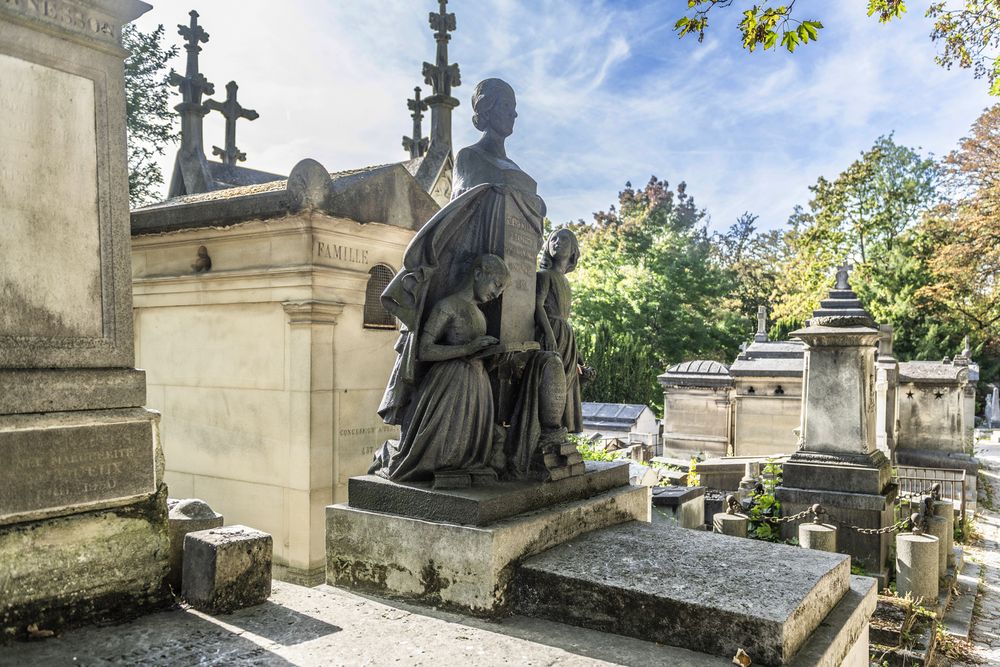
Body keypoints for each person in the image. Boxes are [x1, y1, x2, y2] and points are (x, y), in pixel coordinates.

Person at [370, 255, 510, 484]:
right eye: (496, 284)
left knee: (469, 450)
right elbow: (424, 350)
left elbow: (474, 350)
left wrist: (493, 357)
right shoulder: (448, 306)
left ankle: (465, 468)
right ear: (478, 273)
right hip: (449, 386)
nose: (496, 294)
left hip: (477, 385)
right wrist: (467, 348)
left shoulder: (479, 313)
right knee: (442, 451)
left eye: (501, 290)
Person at [535, 228, 583, 433]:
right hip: (551, 331)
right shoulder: (544, 276)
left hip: (565, 335)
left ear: (573, 250)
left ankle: (560, 429)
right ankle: (546, 428)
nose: (557, 242)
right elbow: (537, 305)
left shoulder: (565, 281)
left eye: (564, 239)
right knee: (553, 380)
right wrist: (547, 332)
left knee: (566, 382)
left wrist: (577, 353)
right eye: (553, 238)